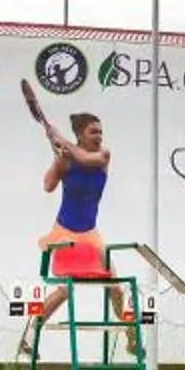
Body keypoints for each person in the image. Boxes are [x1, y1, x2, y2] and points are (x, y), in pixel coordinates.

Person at [22, 109, 122, 351]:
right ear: (80, 134)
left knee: (117, 287)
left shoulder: (103, 155)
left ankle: (131, 334)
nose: (99, 136)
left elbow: (86, 160)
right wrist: (58, 160)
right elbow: (48, 186)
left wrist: (60, 139)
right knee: (66, 287)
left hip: (90, 234)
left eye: (101, 131)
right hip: (64, 232)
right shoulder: (66, 158)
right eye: (93, 132)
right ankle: (30, 332)